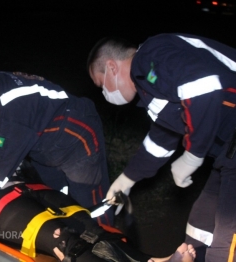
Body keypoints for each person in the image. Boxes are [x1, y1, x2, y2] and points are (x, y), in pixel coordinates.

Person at [86, 33, 236, 262]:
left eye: (100, 84)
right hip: (227, 155)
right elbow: (161, 140)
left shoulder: (152, 55)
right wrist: (127, 179)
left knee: (226, 244)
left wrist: (193, 155)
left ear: (112, 68)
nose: (105, 93)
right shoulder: (149, 88)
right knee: (199, 228)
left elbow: (203, 88)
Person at [0, 63, 113, 229]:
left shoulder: (16, 102)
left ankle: (108, 240)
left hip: (76, 136)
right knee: (55, 196)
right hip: (40, 144)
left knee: (89, 202)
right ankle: (71, 235)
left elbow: (3, 156)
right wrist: (6, 169)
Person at [0, 165, 196, 262]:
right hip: (0, 204)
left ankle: (151, 261)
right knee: (61, 237)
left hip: (30, 189)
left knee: (86, 224)